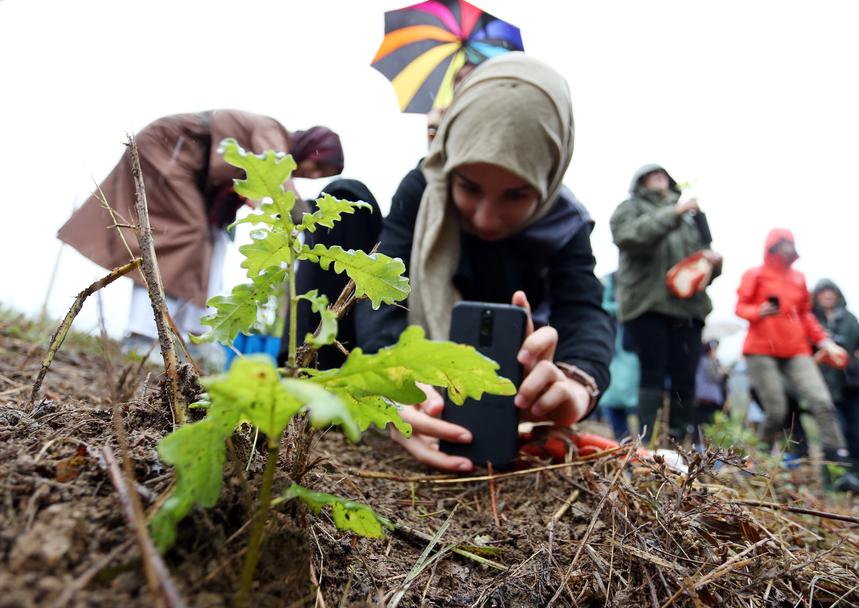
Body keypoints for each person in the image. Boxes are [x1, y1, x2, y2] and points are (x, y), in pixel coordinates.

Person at [355, 53, 614, 472]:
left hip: (513, 390)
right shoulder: (422, 189)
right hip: (415, 365)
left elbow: (584, 309)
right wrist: (394, 380)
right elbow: (381, 288)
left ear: (548, 179)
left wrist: (577, 384)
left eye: (517, 195)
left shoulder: (565, 223)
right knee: (350, 202)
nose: (487, 218)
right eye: (468, 186)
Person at [58, 110, 344, 366]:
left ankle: (189, 338)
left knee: (213, 238)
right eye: (317, 165)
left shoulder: (269, 143)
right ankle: (141, 333)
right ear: (311, 146)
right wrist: (301, 215)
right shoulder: (272, 131)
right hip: (170, 147)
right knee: (181, 235)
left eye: (321, 175)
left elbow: (251, 189)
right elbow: (278, 179)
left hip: (189, 167)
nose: (312, 174)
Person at [735, 228, 859, 493]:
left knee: (822, 402)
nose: (786, 248)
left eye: (789, 244)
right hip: (760, 349)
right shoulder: (755, 274)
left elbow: (805, 315)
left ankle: (837, 467)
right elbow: (740, 306)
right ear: (771, 246)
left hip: (796, 349)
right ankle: (754, 462)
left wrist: (825, 343)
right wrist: (758, 311)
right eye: (781, 244)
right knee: (777, 411)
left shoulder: (798, 278)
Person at [609, 165, 722, 442]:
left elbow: (701, 266)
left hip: (688, 308)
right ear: (640, 182)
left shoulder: (691, 217)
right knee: (653, 372)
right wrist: (673, 213)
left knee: (685, 376)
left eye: (663, 175)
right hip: (648, 304)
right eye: (651, 175)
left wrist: (713, 263)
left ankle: (675, 441)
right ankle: (648, 441)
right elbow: (630, 238)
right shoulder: (631, 208)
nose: (659, 178)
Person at [280, 179, 382, 370]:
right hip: (314, 364)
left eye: (354, 223)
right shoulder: (309, 268)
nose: (344, 232)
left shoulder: (311, 260)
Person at [812, 279, 859, 483]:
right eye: (822, 292)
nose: (827, 295)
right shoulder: (812, 320)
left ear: (838, 295)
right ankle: (835, 478)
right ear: (816, 297)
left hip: (853, 384)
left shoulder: (849, 318)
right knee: (837, 432)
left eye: (831, 291)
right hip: (827, 386)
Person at [598, 272, 640, 440]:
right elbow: (605, 304)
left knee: (633, 393)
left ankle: (639, 442)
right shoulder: (613, 279)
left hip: (633, 341)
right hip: (618, 341)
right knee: (614, 395)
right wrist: (626, 307)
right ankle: (623, 441)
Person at [692, 339, 727, 447]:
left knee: (700, 422)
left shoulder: (700, 360)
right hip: (709, 397)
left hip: (701, 396)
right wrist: (722, 372)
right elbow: (715, 378)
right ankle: (703, 445)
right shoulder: (707, 361)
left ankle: (699, 444)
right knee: (707, 424)